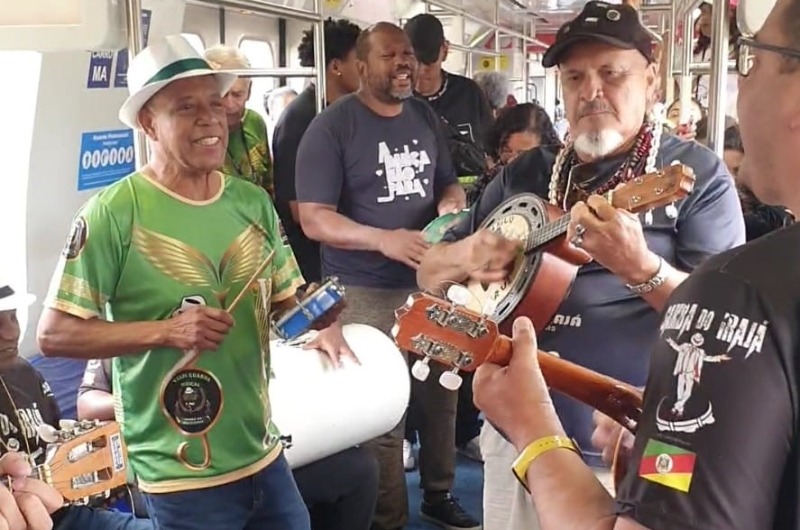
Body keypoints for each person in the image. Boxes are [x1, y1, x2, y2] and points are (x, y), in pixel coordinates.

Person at [416, 3, 745, 529]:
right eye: (575, 77)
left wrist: (643, 270)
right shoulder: (523, 173)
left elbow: (728, 328)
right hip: (516, 436)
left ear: (651, 79)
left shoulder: (697, 177)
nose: (591, 90)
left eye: (611, 73)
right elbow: (429, 272)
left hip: (642, 437)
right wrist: (465, 254)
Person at [37, 35, 354, 530]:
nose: (209, 118)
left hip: (260, 449)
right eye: (186, 107)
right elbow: (54, 335)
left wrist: (315, 312)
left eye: (214, 103)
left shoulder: (252, 203)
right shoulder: (114, 214)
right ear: (149, 123)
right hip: (177, 466)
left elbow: (285, 310)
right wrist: (167, 332)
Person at [294, 22, 477, 530]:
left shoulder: (423, 115)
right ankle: (389, 519)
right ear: (361, 65)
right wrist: (384, 238)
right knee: (383, 415)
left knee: (442, 392)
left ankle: (439, 494)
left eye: (409, 56)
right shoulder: (332, 128)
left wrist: (449, 207)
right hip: (363, 288)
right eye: (391, 55)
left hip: (429, 279)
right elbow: (314, 218)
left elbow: (448, 183)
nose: (405, 63)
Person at [0, 281, 152, 530]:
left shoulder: (26, 374)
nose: (11, 333)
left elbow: (60, 447)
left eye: (13, 317)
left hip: (65, 515)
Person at [272, 17, 362, 284]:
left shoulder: (348, 113)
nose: (366, 67)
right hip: (315, 261)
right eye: (359, 59)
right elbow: (300, 210)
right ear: (335, 66)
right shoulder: (300, 120)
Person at [404, 13, 493, 151]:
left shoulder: (469, 94)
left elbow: (491, 144)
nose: (421, 71)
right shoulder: (394, 101)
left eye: (429, 62)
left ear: (444, 50)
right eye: (414, 62)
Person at [203, 45, 273, 196]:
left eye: (237, 95)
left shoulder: (256, 122)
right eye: (223, 95)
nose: (229, 105)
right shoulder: (201, 131)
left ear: (249, 91)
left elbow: (269, 183)